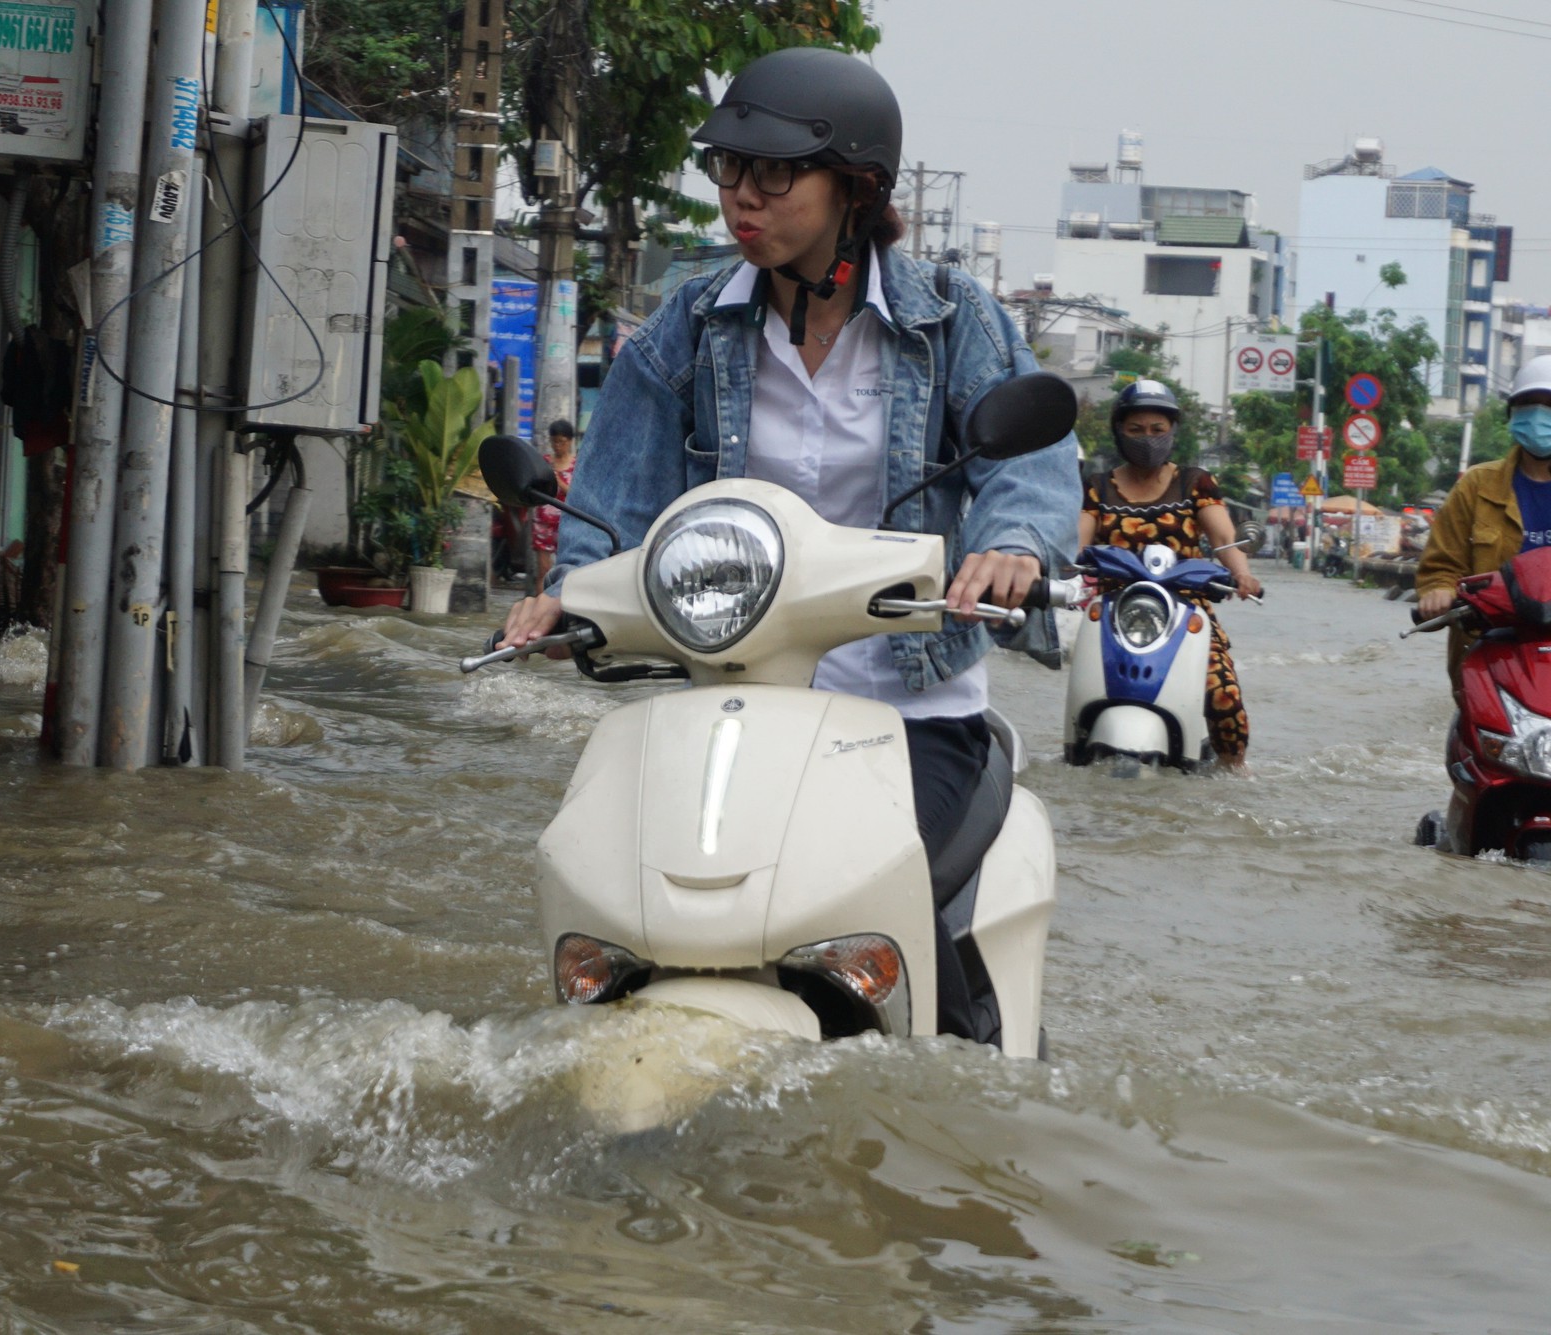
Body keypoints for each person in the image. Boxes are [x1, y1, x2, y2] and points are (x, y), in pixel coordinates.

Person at [497, 46, 1078, 1038]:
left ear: (853, 188)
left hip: (913, 710)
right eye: (728, 170)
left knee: (875, 905)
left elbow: (1025, 466)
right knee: (620, 903)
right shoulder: (682, 327)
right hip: (730, 702)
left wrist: (1011, 545)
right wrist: (568, 593)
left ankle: (959, 1089)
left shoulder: (955, 320)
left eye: (772, 174)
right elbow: (614, 503)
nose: (740, 198)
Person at [1077, 379, 1262, 769]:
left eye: (1157, 430)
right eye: (1136, 430)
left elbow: (1225, 537)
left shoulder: (1194, 483)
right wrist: (1056, 567)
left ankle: (1234, 771)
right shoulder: (1097, 489)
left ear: (1172, 432)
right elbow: (1074, 546)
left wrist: (1242, 573)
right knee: (1085, 688)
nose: (1148, 439)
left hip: (1185, 612)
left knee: (1223, 696)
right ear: (1119, 432)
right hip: (1114, 613)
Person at [1416, 354, 1551, 697]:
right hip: (1491, 653)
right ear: (1513, 414)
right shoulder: (1477, 485)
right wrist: (1439, 590)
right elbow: (1441, 564)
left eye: (1549, 406)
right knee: (1475, 743)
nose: (1538, 416)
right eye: (1528, 405)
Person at [531, 420, 577, 595]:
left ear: (570, 441)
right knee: (543, 570)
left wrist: (558, 481)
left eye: (562, 442)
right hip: (542, 521)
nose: (558, 446)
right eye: (554, 441)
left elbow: (576, 495)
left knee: (566, 570)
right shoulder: (544, 463)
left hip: (566, 522)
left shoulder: (576, 466)